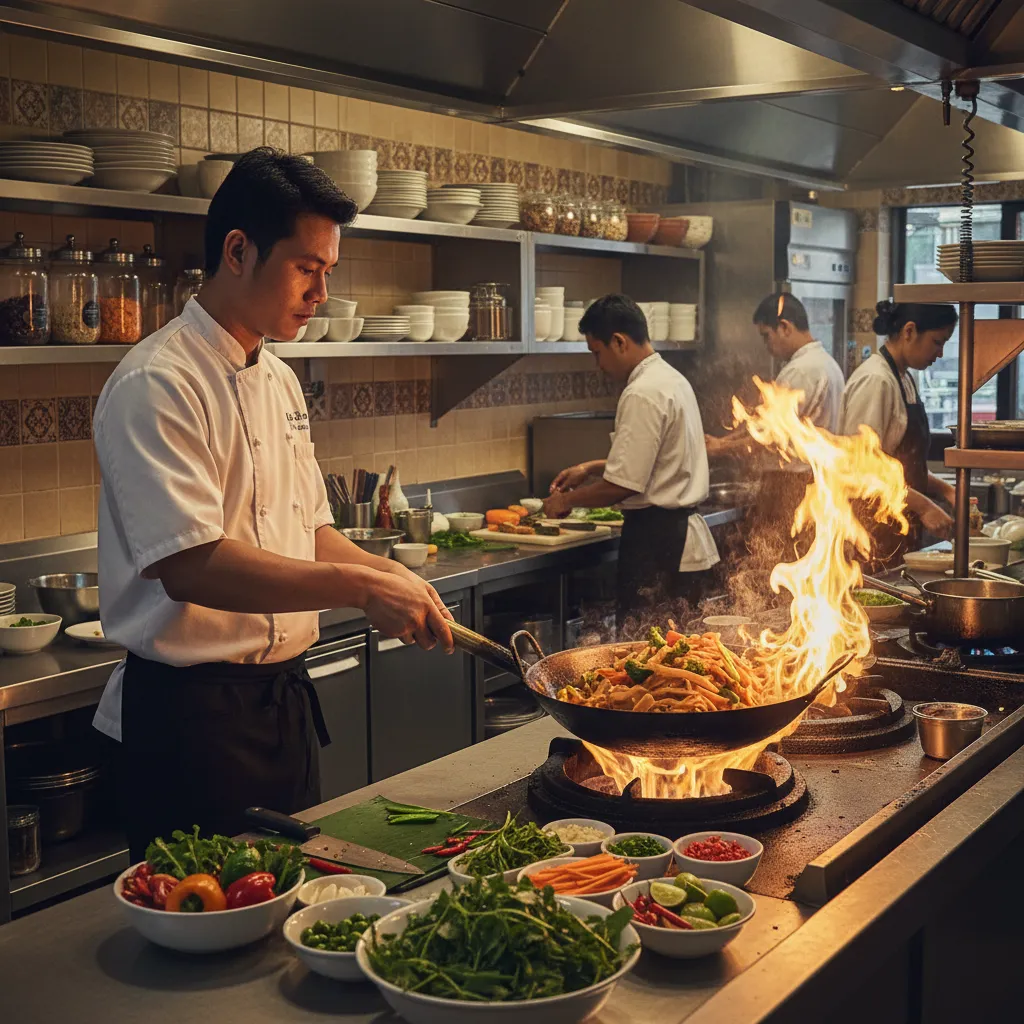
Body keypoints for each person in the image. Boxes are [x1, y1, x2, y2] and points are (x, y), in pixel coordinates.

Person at [91, 148, 453, 858]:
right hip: (192, 722)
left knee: (297, 899)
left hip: (282, 705)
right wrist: (360, 588)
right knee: (206, 915)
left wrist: (392, 575)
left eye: (329, 272)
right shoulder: (157, 382)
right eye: (306, 268)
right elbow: (190, 565)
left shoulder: (281, 379)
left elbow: (309, 529)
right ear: (238, 251)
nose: (321, 294)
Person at [543, 294, 718, 628]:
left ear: (619, 342)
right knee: (678, 648)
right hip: (679, 540)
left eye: (597, 352)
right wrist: (591, 468)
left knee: (646, 648)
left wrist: (564, 501)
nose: (598, 365)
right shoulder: (671, 379)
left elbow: (621, 486)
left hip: (657, 546)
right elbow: (656, 458)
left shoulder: (642, 392)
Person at [705, 292, 846, 562]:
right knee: (800, 561)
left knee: (779, 562)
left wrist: (719, 448)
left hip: (791, 485)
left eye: (766, 336)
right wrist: (723, 441)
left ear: (784, 327)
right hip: (813, 481)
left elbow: (769, 435)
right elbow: (763, 421)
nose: (766, 346)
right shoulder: (827, 364)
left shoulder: (801, 370)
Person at [839, 299, 957, 568]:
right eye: (937, 342)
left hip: (897, 524)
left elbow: (900, 467)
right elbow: (861, 468)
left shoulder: (903, 378)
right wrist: (924, 506)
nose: (940, 353)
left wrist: (946, 490)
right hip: (871, 528)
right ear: (909, 331)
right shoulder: (876, 380)